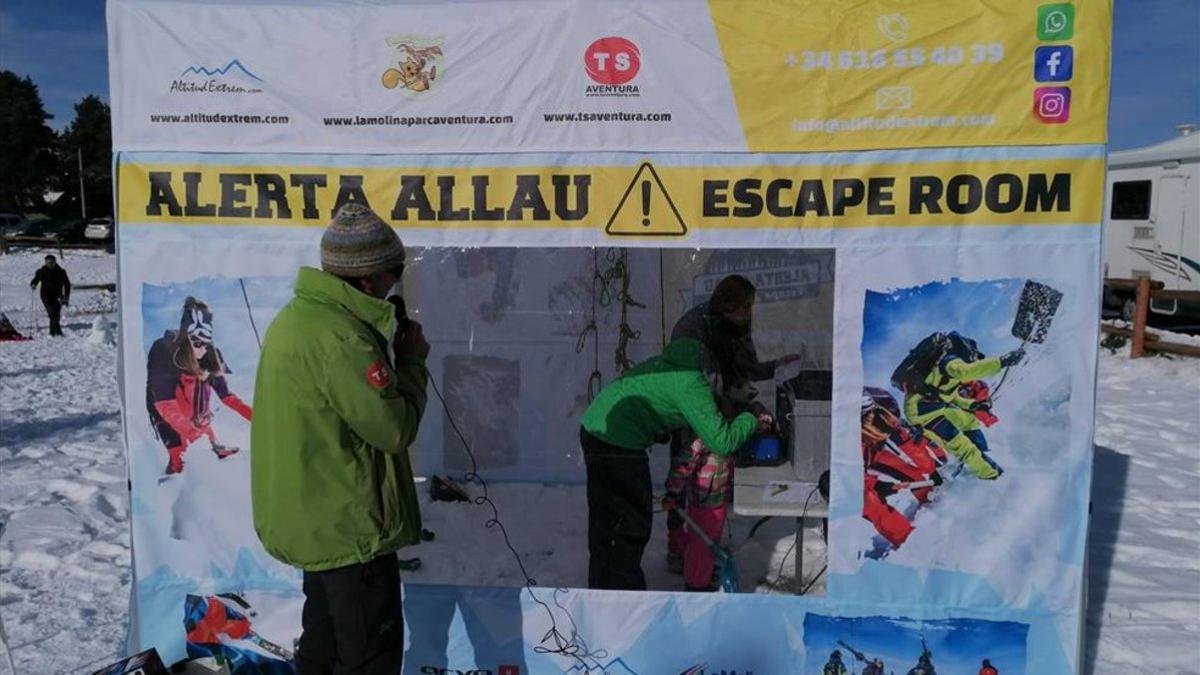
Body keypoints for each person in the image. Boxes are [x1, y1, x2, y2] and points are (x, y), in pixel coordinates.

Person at [251, 203, 429, 674]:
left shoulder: (297, 318)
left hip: (315, 518)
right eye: (393, 275)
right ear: (367, 279)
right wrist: (410, 364)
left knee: (323, 649)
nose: (395, 285)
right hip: (349, 527)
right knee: (369, 656)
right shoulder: (343, 338)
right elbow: (394, 430)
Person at [579, 336, 769, 591]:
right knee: (628, 524)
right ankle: (623, 598)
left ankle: (603, 591)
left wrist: (658, 425)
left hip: (596, 427)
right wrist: (750, 418)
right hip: (616, 441)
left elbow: (651, 401)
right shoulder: (690, 382)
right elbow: (722, 441)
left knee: (607, 522)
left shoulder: (666, 365)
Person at [664, 274, 801, 573]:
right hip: (691, 408)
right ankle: (679, 545)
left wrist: (774, 367)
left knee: (708, 496)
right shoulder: (693, 328)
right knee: (686, 475)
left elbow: (743, 369)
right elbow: (692, 384)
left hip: (717, 411)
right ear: (723, 304)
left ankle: (703, 543)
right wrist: (733, 412)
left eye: (749, 308)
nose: (746, 315)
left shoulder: (736, 326)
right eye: (740, 308)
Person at [894, 331, 1023, 480]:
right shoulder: (949, 361)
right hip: (925, 414)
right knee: (963, 446)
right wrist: (1002, 361)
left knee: (969, 421)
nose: (974, 360)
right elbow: (966, 372)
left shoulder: (940, 372)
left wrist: (973, 405)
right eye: (974, 356)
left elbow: (951, 397)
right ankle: (991, 477)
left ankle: (980, 454)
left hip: (934, 407)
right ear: (967, 349)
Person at [146, 297, 253, 476]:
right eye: (197, 344)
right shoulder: (164, 353)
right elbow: (166, 406)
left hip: (198, 421)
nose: (203, 350)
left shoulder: (209, 356)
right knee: (182, 466)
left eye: (206, 344)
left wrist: (257, 417)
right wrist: (196, 438)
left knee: (215, 465)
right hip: (168, 418)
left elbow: (228, 397)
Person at [860, 387, 947, 550]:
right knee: (868, 500)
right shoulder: (851, 440)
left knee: (914, 475)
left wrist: (931, 470)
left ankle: (932, 504)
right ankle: (908, 540)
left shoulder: (885, 412)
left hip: (874, 452)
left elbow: (910, 444)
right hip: (855, 469)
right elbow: (853, 479)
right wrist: (877, 486)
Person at [29, 254, 71, 336]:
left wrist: (66, 296)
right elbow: (35, 280)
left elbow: (67, 284)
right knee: (51, 312)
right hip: (46, 295)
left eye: (52, 262)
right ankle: (53, 332)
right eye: (48, 263)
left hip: (58, 295)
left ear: (55, 262)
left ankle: (56, 331)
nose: (50, 264)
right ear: (45, 263)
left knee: (57, 313)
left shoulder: (61, 272)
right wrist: (33, 284)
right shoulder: (42, 271)